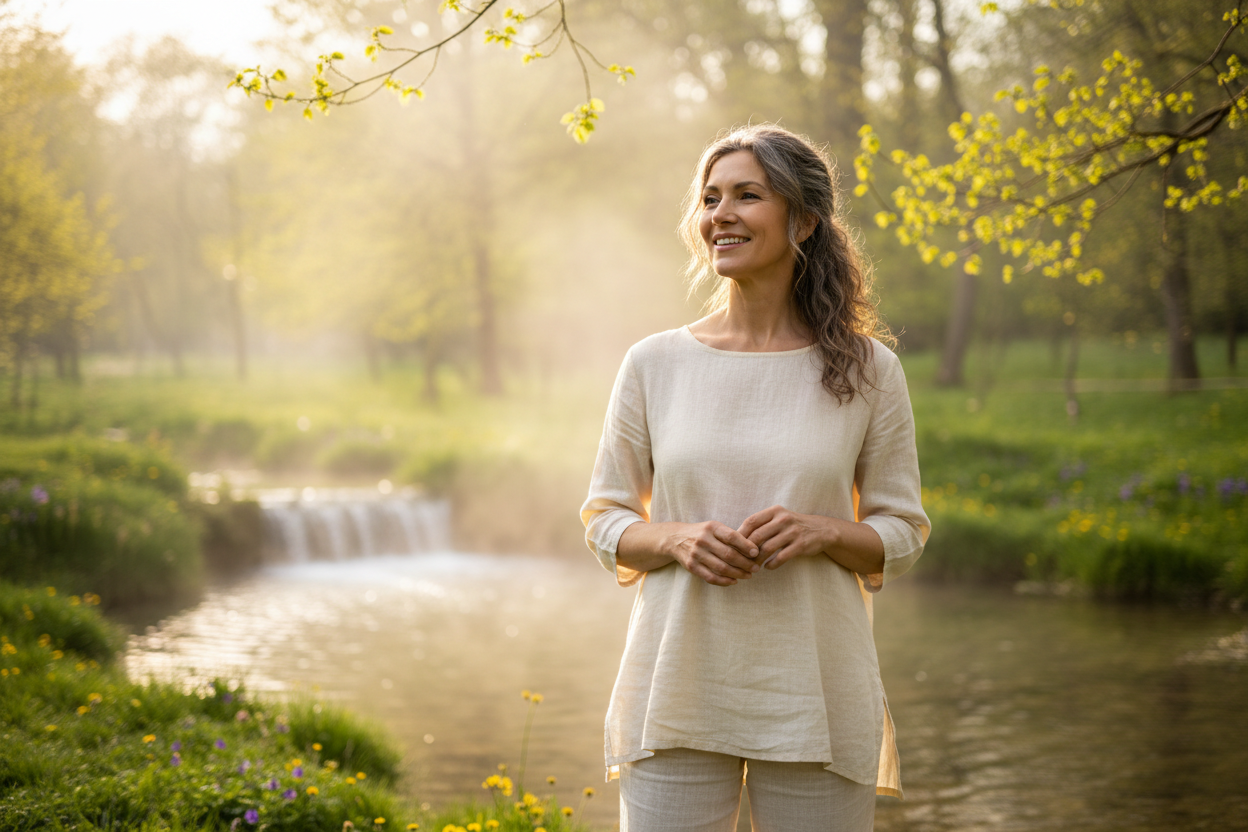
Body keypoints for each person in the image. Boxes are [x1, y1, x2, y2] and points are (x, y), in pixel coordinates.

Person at [580, 124, 931, 832]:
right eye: (710, 199)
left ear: (803, 220)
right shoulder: (654, 363)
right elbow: (605, 519)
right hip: (675, 688)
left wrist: (826, 530)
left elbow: (903, 531)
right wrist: (677, 540)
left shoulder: (869, 370)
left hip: (816, 696)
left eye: (747, 195)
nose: (721, 214)